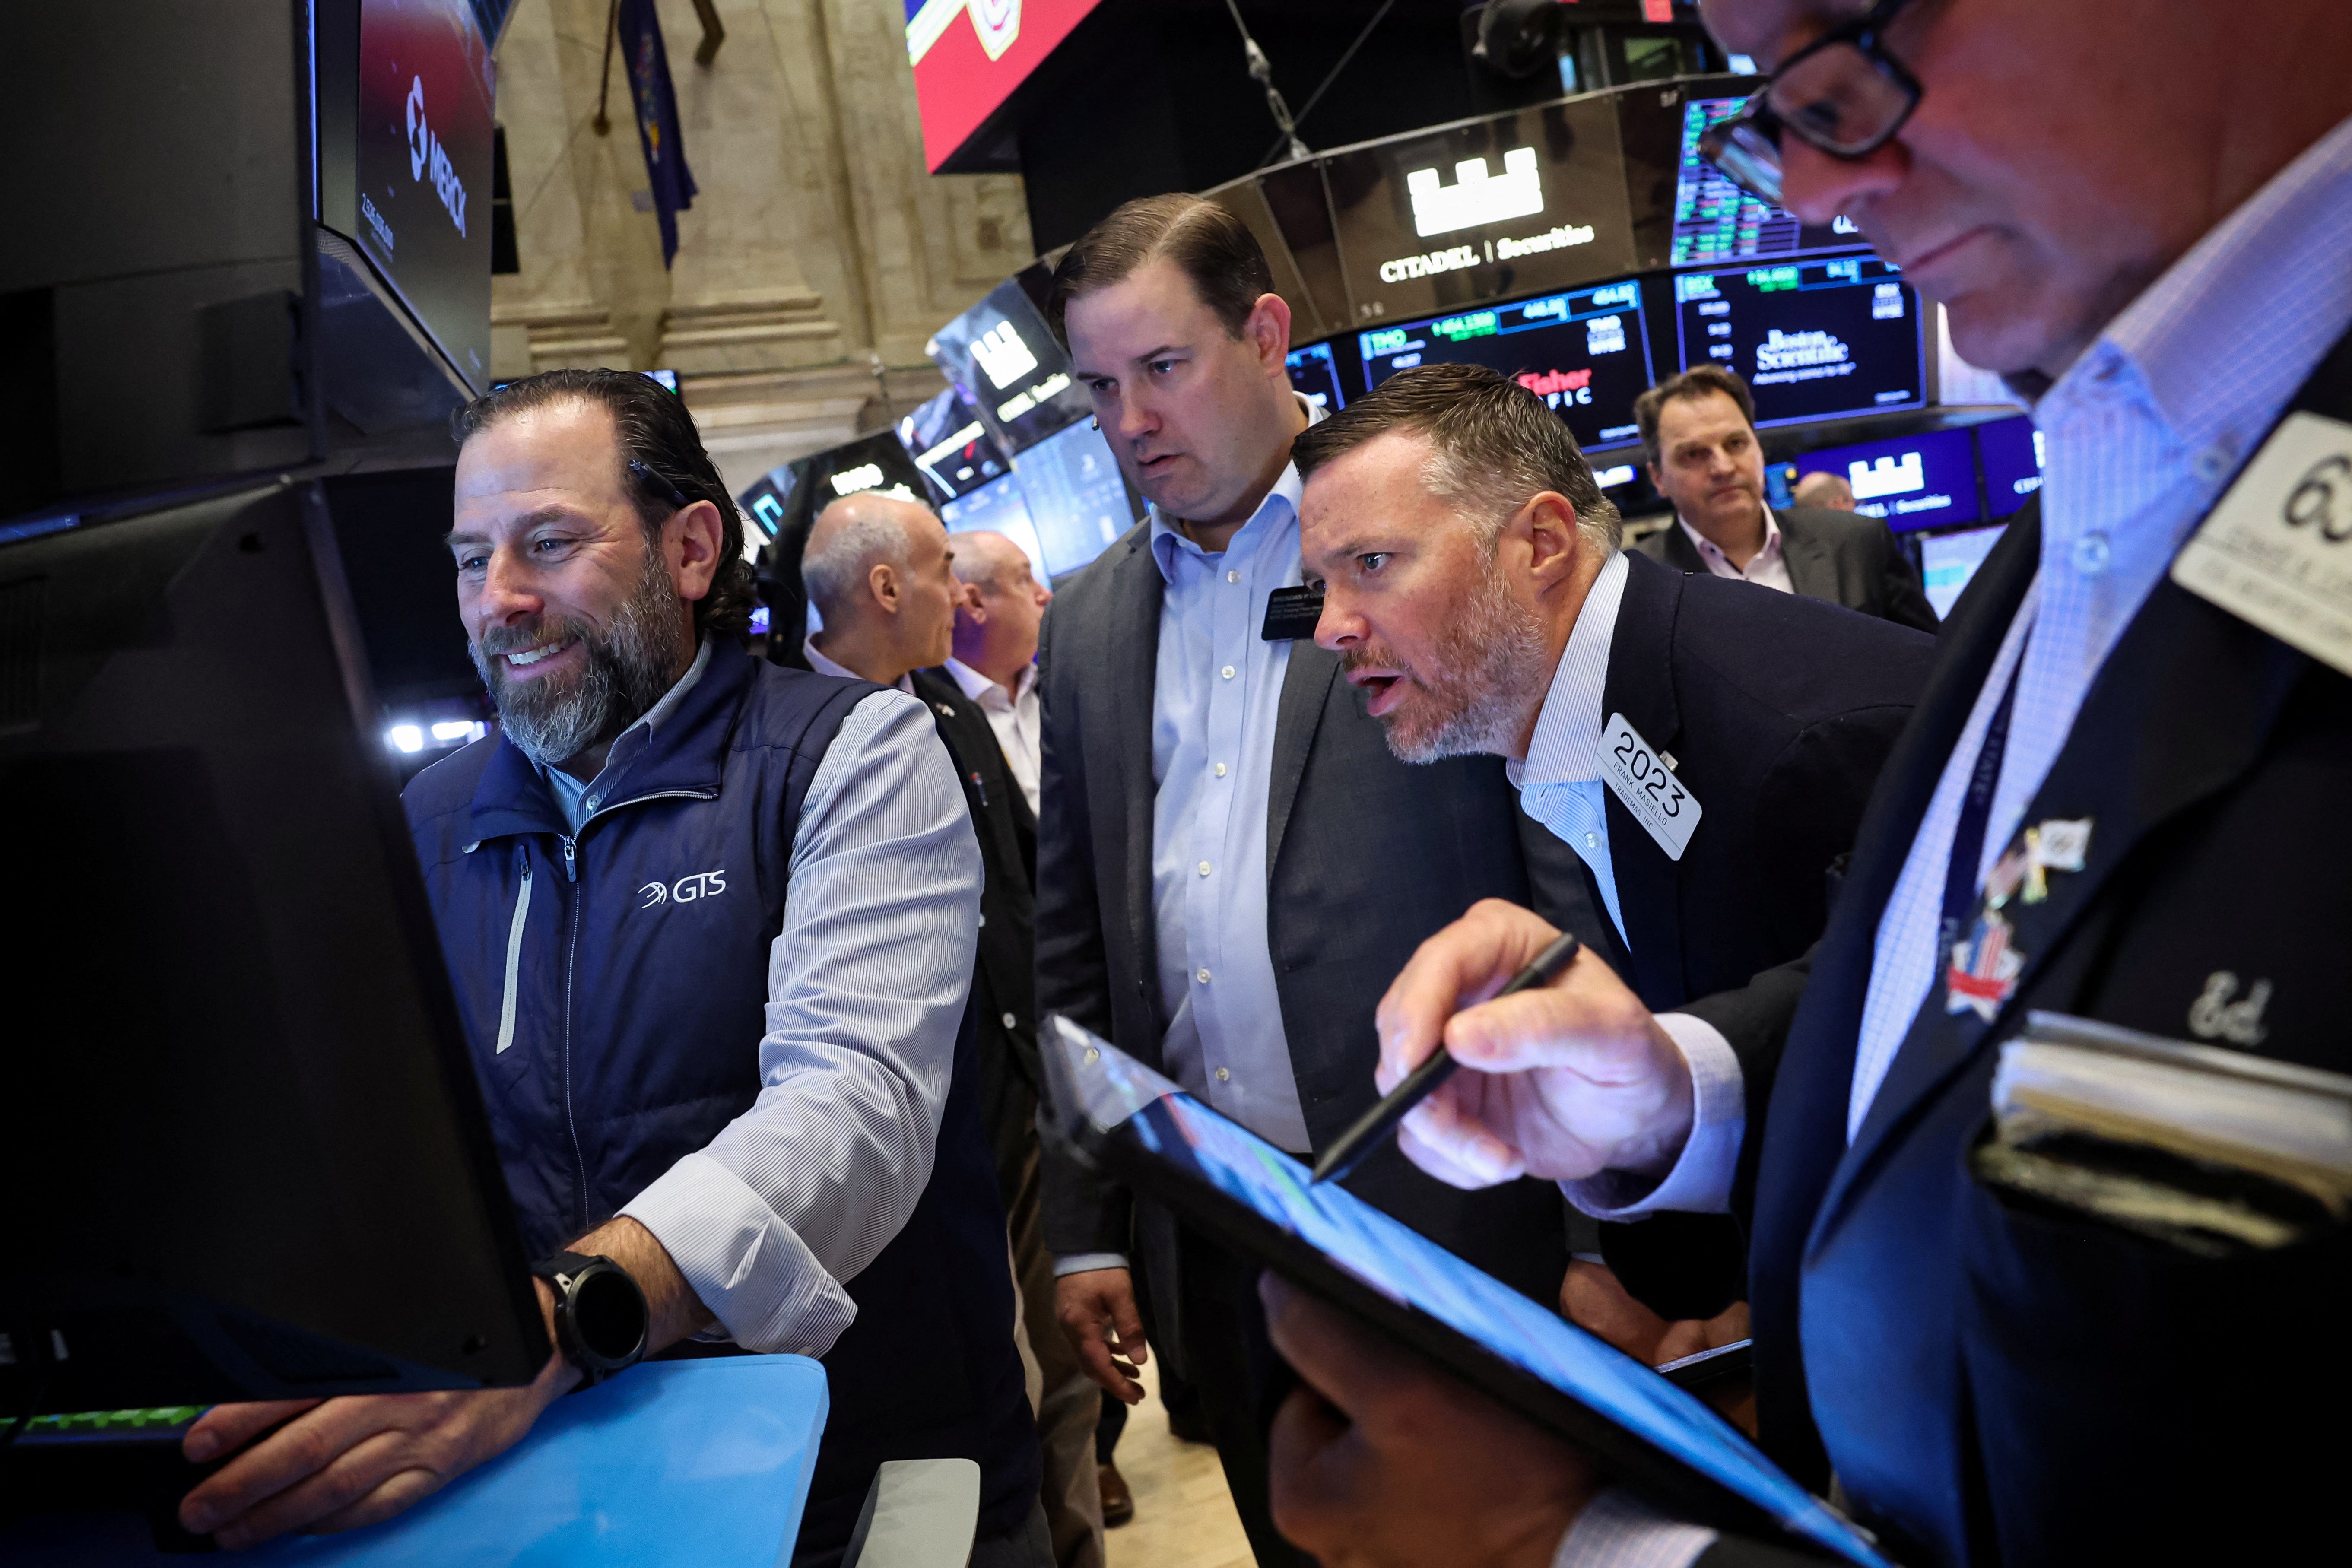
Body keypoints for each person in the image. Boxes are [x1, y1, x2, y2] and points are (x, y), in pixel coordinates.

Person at [1260, 0, 2352, 1563]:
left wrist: (1587, 1549)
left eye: (1856, 37)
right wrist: (1677, 1085)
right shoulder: (2125, 471)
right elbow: (1974, 990)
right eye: (1780, 97)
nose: (1819, 181)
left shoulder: (1822, 686)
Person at [174, 371, 1046, 1566]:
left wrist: (566, 1316)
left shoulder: (851, 752)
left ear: (691, 549)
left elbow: (851, 1108)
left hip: (859, 1474)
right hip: (572, 1486)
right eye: (471, 558)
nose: (500, 602)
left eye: (546, 544)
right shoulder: (423, 822)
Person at [1036, 194, 1574, 1568]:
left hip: (1456, 1204)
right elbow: (1079, 943)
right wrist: (1089, 1229)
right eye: (1102, 387)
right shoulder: (1094, 616)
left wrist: (1601, 1227)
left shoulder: (1424, 543)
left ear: (1266, 332)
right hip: (1231, 1229)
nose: (1131, 420)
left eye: (1164, 369)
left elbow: (1560, 864)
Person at [1292, 362, 1936, 1322]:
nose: (1331, 628)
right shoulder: (1613, 697)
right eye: (1321, 584)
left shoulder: (1796, 740)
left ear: (1542, 543)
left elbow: (1899, 1102)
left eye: (1372, 566)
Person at [801, 494, 1102, 1568]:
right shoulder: (786, 738)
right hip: (912, 1152)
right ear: (885, 588)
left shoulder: (942, 704)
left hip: (1015, 1102)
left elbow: (1021, 891)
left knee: (1060, 1378)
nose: (958, 596)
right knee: (990, 1396)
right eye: (941, 572)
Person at [1634, 365, 1938, 632]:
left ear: (1758, 448)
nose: (1723, 467)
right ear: (1658, 477)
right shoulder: (1636, 584)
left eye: (1736, 443)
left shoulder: (1856, 542)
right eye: (1693, 454)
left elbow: (1933, 665)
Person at [949, 529, 1053, 818]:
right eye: (1024, 580)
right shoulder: (931, 721)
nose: (1044, 594)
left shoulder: (1061, 681)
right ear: (975, 603)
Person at [1789, 469, 1856, 511]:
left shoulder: (1787, 531)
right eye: (1853, 502)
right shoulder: (1859, 531)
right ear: (1838, 504)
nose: (1854, 509)